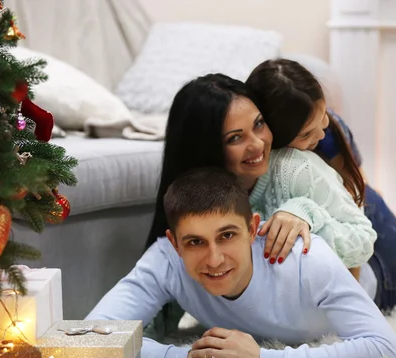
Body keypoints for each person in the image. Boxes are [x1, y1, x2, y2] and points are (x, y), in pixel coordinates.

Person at [87, 167, 396, 358]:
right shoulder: (166, 260)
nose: (214, 259)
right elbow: (92, 336)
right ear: (174, 243)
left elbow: (388, 351)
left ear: (254, 228)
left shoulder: (307, 260)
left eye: (227, 236)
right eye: (195, 242)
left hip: (376, 281)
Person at [144, 74, 377, 339]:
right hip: (297, 306)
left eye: (258, 124)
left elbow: (364, 241)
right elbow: (175, 273)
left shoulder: (295, 168)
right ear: (207, 148)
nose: (257, 144)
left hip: (362, 278)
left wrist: (306, 213)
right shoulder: (193, 198)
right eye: (235, 138)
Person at [245, 58, 396, 310]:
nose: (319, 134)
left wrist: (353, 300)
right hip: (329, 215)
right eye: (306, 135)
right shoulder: (272, 166)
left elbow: (355, 195)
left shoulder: (327, 137)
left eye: (323, 121)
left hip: (361, 204)